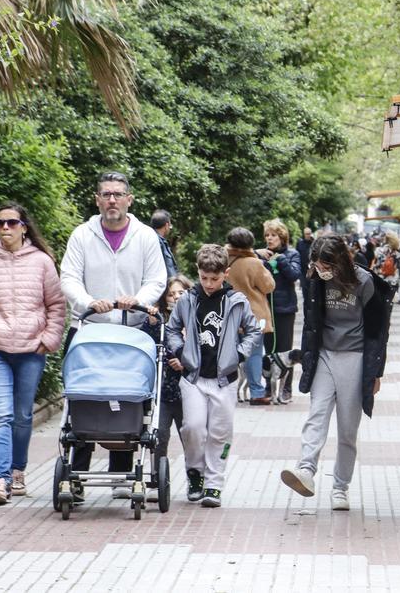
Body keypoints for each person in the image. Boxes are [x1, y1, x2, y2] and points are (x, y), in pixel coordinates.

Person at [60, 171, 167, 500]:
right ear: (97, 200)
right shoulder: (82, 235)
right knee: (85, 397)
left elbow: (157, 279)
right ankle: (75, 474)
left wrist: (140, 301)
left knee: (128, 399)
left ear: (129, 200)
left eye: (118, 194)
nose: (111, 200)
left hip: (131, 331)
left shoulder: (145, 236)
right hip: (91, 330)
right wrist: (88, 302)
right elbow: (69, 277)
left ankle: (122, 471)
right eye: (105, 195)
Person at [280, 236, 392, 511]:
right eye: (317, 265)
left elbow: (378, 330)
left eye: (326, 266)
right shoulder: (316, 278)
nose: (321, 270)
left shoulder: (365, 282)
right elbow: (312, 322)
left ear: (341, 261)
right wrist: (308, 358)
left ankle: (341, 488)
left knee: (346, 430)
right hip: (324, 356)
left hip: (355, 358)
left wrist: (375, 372)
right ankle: (305, 469)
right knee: (317, 413)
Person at [0, 202, 66, 505]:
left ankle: (19, 471)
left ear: (24, 227)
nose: (5, 228)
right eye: (0, 223)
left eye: (12, 223)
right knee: (0, 414)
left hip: (32, 349)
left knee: (22, 415)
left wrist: (49, 338)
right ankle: (1, 480)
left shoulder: (42, 262)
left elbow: (56, 305)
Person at [165, 244, 261, 508]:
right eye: (204, 277)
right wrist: (180, 350)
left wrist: (238, 355)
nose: (208, 283)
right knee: (193, 427)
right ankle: (195, 472)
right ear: (198, 272)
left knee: (220, 432)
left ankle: (214, 484)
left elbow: (253, 331)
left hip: (225, 379)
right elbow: (172, 329)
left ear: (226, 274)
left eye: (214, 279)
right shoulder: (187, 300)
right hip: (193, 377)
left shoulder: (236, 301)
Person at [141, 274, 191, 502]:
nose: (176, 297)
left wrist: (185, 362)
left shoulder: (195, 318)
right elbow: (146, 345)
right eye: (171, 294)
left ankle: (195, 479)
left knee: (190, 437)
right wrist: (150, 323)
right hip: (163, 391)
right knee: (159, 436)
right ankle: (155, 480)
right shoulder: (159, 321)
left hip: (188, 391)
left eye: (180, 292)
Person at [226, 228, 275, 405]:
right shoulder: (253, 263)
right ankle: (256, 392)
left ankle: (228, 390)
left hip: (229, 312)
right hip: (253, 314)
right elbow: (269, 286)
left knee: (229, 351)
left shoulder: (223, 258)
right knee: (254, 353)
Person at [257, 219, 301, 403]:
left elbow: (294, 275)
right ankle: (269, 386)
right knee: (268, 348)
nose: (269, 238)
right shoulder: (261, 255)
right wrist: (259, 257)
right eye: (267, 235)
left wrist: (280, 259)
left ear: (282, 237)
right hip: (265, 308)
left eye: (273, 235)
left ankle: (286, 388)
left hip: (285, 309)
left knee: (284, 349)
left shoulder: (292, 254)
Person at [150, 209, 178, 278]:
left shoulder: (153, 239)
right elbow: (169, 269)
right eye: (170, 227)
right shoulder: (158, 242)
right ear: (166, 226)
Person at [296, 227, 314, 311]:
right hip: (303, 272)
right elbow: (297, 257)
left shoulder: (314, 243)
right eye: (306, 234)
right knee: (305, 293)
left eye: (309, 234)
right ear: (304, 234)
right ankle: (307, 313)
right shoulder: (300, 243)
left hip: (313, 271)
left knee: (313, 292)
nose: (308, 235)